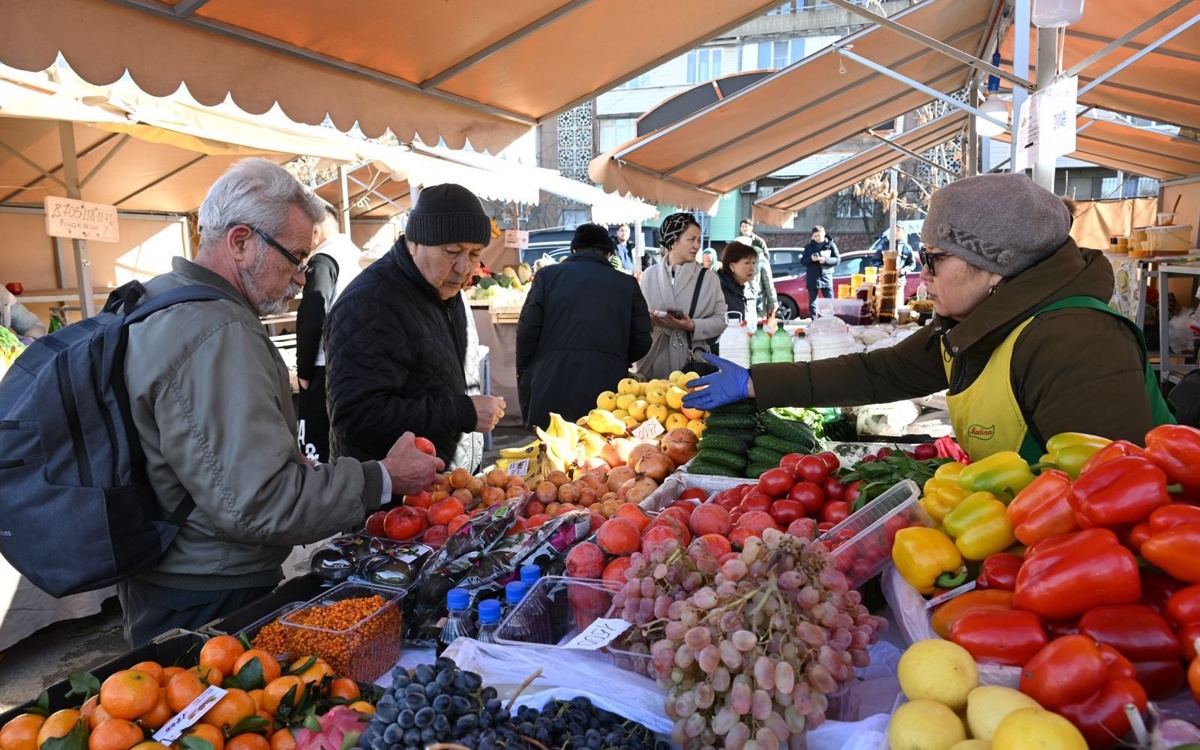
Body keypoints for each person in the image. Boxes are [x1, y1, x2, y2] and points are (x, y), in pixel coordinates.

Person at [118, 158, 443, 645]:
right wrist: (383, 477)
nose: (300, 278)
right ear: (241, 242)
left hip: (166, 577)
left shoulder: (160, 298)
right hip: (211, 589)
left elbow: (212, 465)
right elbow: (262, 502)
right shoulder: (218, 332)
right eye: (296, 257)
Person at [684, 173, 1174, 463]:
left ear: (995, 266)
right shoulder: (978, 324)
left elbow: (1113, 496)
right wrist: (757, 382)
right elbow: (878, 373)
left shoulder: (1077, 342)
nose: (922, 275)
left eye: (934, 259)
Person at [325, 183, 505, 475]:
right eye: (452, 251)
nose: (464, 267)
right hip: (391, 494)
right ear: (415, 243)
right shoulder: (371, 302)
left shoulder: (450, 294)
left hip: (444, 487)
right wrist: (461, 412)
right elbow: (357, 418)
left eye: (475, 254)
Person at [516, 223, 652, 430]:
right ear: (609, 253)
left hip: (551, 380)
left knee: (551, 445)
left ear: (574, 249)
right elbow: (642, 339)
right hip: (607, 386)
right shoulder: (627, 284)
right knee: (601, 446)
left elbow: (527, 332)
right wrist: (616, 356)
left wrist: (527, 372)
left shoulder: (547, 277)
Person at [294, 203, 365, 463]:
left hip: (325, 367)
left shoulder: (324, 258)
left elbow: (313, 312)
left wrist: (303, 372)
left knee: (315, 450)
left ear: (315, 229)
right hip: (358, 365)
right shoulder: (356, 256)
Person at [636, 212, 727, 380]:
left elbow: (722, 320)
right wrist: (650, 319)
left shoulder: (708, 278)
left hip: (692, 362)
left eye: (698, 240)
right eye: (691, 239)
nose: (696, 246)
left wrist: (692, 325)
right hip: (655, 360)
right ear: (673, 241)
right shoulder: (649, 275)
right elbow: (637, 317)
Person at [716, 241, 757, 331]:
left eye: (753, 262)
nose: (752, 268)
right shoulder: (717, 289)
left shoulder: (748, 289)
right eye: (747, 263)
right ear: (732, 266)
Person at [801, 225, 839, 318]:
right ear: (812, 236)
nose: (817, 238)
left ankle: (830, 320)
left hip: (826, 276)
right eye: (815, 236)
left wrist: (825, 260)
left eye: (819, 235)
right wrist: (811, 259)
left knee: (830, 301)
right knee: (813, 302)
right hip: (813, 277)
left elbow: (837, 260)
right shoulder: (809, 247)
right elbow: (803, 262)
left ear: (824, 234)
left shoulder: (830, 245)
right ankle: (814, 321)